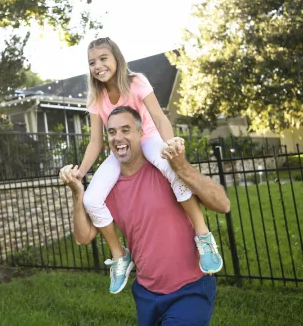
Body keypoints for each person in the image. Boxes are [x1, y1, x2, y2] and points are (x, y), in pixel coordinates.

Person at [60, 37, 222, 294]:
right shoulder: (96, 97)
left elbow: (158, 116)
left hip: (148, 138)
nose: (98, 65)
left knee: (173, 171)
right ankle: (119, 255)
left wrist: (171, 146)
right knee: (91, 200)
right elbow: (95, 141)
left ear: (116, 59)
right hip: (122, 148)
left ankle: (202, 235)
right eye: (92, 62)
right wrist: (79, 173)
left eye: (103, 59)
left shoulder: (136, 82)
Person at [60, 106, 230, 326]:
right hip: (146, 294)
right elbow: (83, 238)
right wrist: (77, 194)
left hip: (190, 289)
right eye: (112, 132)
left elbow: (223, 205)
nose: (118, 138)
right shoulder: (106, 189)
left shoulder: (167, 171)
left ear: (141, 134)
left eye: (125, 130)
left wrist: (183, 168)